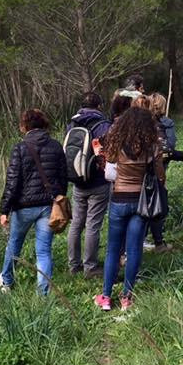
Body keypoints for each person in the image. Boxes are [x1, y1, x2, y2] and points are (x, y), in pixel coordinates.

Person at [95, 107, 165, 312]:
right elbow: (159, 174)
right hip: (141, 202)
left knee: (113, 250)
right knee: (134, 249)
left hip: (118, 200)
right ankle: (127, 297)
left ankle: (106, 296)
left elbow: (109, 175)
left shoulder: (116, 145)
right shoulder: (152, 147)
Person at [0, 109, 67, 294]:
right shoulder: (56, 146)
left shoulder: (20, 148)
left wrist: (4, 210)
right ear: (44, 124)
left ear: (24, 126)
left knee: (14, 245)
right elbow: (63, 177)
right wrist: (58, 200)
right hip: (48, 206)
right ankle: (42, 294)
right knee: (43, 251)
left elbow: (12, 182)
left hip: (23, 207)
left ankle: (6, 281)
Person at [65, 91, 112, 277]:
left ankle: (73, 265)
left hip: (77, 180)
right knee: (93, 224)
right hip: (98, 181)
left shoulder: (72, 123)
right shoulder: (103, 125)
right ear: (99, 106)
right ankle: (90, 267)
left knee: (76, 223)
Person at [137, 93, 183, 252]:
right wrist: (180, 156)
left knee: (149, 204)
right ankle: (154, 242)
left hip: (139, 172)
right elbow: (167, 148)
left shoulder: (139, 124)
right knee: (156, 204)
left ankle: (150, 240)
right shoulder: (157, 125)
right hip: (153, 171)